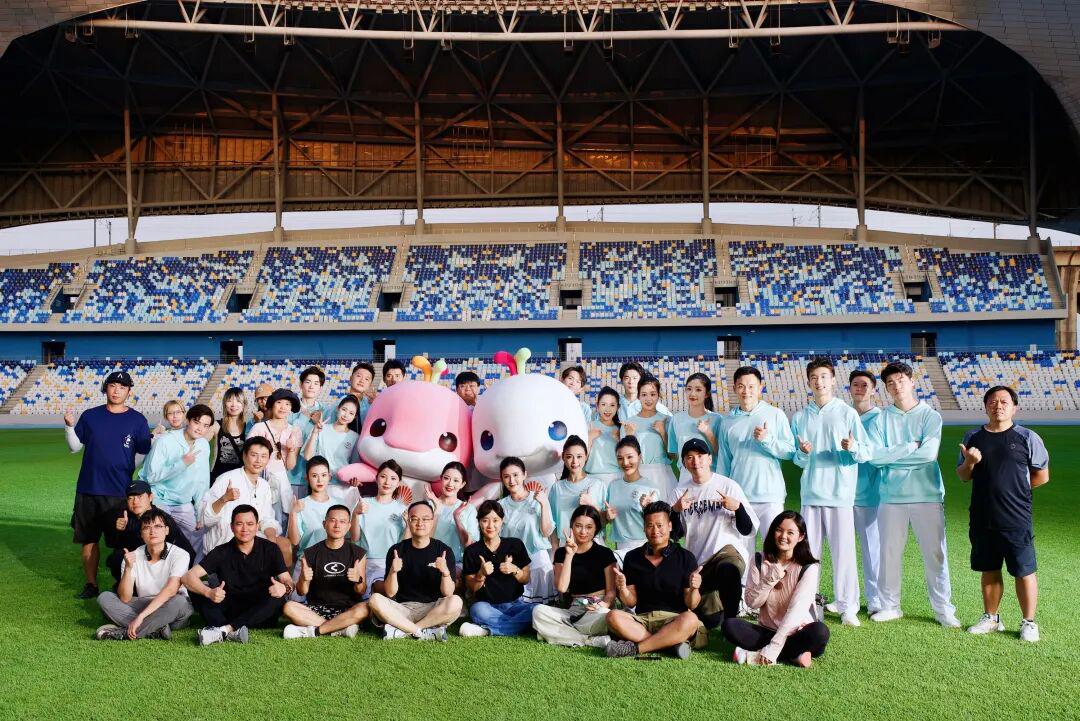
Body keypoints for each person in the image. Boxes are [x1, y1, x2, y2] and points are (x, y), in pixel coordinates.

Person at [867, 362, 959, 627]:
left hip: (926, 495)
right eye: (890, 383)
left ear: (912, 382)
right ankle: (890, 606)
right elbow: (874, 457)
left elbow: (929, 454)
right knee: (889, 554)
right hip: (891, 497)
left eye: (901, 380)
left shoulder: (930, 416)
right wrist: (909, 446)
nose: (896, 386)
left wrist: (891, 457)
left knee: (935, 554)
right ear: (886, 388)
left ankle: (943, 609)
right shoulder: (881, 419)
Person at [959, 386, 1049, 643]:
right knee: (989, 569)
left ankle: (1029, 622)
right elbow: (963, 476)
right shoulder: (973, 437)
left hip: (1016, 518)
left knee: (1024, 570)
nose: (998, 406)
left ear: (1014, 407)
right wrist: (970, 462)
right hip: (982, 516)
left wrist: (1015, 491)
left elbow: (1042, 475)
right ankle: (991, 618)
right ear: (985, 406)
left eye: (1004, 402)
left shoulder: (1027, 437)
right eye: (992, 401)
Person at [790, 357, 870, 626]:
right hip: (811, 494)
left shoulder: (847, 413)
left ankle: (848, 607)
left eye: (824, 376)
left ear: (833, 380)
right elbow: (796, 459)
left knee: (843, 554)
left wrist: (852, 447)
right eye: (814, 378)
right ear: (808, 382)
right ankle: (807, 605)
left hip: (840, 494)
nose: (819, 382)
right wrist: (803, 453)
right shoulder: (800, 417)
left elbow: (865, 452)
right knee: (808, 555)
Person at [64, 369, 153, 599]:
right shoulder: (90, 416)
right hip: (89, 489)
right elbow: (74, 447)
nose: (116, 391)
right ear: (106, 388)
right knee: (88, 540)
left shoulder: (137, 420)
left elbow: (144, 452)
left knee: (121, 541)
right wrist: (69, 426)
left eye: (122, 387)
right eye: (113, 386)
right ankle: (91, 584)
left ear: (129, 391)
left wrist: (128, 466)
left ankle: (122, 583)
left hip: (119, 492)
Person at [721, 511, 830, 667]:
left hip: (797, 631)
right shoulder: (759, 559)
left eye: (790, 532)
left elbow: (796, 611)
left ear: (800, 537)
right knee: (729, 626)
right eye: (779, 530)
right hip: (767, 631)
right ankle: (795, 654)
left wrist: (773, 648)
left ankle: (754, 656)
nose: (783, 536)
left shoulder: (808, 567)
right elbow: (752, 603)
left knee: (820, 632)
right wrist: (770, 579)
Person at [671, 438, 757, 628]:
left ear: (710, 459)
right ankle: (717, 604)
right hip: (698, 561)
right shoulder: (679, 492)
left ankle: (732, 623)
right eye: (690, 457)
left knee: (728, 569)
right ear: (684, 463)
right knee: (708, 620)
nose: (696, 461)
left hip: (726, 552)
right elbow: (676, 536)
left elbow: (747, 529)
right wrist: (675, 511)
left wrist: (738, 508)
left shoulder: (728, 486)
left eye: (700, 456)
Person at [604, 501, 706, 659]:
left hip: (675, 620)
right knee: (613, 616)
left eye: (660, 525)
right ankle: (669, 645)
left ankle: (636, 649)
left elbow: (691, 605)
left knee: (691, 619)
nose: (655, 531)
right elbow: (631, 603)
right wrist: (622, 588)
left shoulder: (686, 557)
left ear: (670, 526)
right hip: (643, 621)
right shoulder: (632, 557)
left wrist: (694, 589)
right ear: (644, 528)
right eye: (650, 526)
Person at [716, 366, 793, 574]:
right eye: (741, 386)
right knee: (742, 553)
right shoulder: (727, 422)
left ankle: (774, 592)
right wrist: (723, 493)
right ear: (734, 388)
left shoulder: (775, 414)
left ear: (760, 387)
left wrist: (767, 440)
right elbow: (724, 461)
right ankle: (743, 592)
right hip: (740, 498)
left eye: (751, 386)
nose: (746, 391)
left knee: (775, 552)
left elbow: (790, 451)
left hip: (770, 497)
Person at [183, 505, 293, 645]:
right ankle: (233, 632)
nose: (245, 529)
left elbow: (288, 580)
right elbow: (187, 577)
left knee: (277, 598)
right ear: (232, 527)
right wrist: (208, 592)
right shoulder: (221, 551)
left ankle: (225, 630)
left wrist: (285, 588)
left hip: (260, 612)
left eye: (250, 524)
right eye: (239, 524)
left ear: (257, 526)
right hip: (230, 608)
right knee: (198, 593)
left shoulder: (271, 549)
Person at [368, 501, 464, 640]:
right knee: (374, 600)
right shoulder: (396, 550)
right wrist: (393, 571)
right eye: (414, 519)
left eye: (425, 519)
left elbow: (448, 593)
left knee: (456, 601)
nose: (420, 523)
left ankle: (404, 630)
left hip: (433, 609)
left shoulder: (444, 551)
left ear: (432, 521)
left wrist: (445, 572)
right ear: (408, 521)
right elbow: (390, 592)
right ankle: (423, 632)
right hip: (402, 609)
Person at [95, 507, 194, 641]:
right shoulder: (133, 555)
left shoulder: (180, 554)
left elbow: (171, 590)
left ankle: (124, 633)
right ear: (141, 534)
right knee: (104, 598)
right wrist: (128, 568)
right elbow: (125, 598)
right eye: (147, 527)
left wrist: (141, 616)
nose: (152, 531)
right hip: (145, 603)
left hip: (171, 605)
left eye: (158, 526)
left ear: (166, 530)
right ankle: (156, 629)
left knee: (179, 601)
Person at [532, 505, 617, 648]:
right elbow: (562, 587)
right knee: (538, 612)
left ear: (596, 528)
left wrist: (604, 604)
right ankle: (588, 640)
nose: (583, 532)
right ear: (571, 526)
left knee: (606, 615)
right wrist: (569, 555)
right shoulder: (561, 553)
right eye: (578, 526)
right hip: (574, 609)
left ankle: (559, 633)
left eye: (589, 527)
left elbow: (611, 592)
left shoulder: (605, 553)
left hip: (597, 608)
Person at [200, 437, 291, 566]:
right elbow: (205, 519)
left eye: (263, 456)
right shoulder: (226, 479)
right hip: (225, 542)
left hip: (251, 539)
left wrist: (271, 539)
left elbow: (266, 518)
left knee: (285, 545)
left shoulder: (264, 485)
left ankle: (282, 579)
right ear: (244, 456)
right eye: (254, 455)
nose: (258, 460)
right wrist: (224, 499)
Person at [282, 504, 370, 639]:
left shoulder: (358, 553)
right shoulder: (310, 553)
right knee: (289, 607)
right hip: (317, 610)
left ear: (349, 526)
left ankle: (317, 630)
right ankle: (338, 629)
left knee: (365, 608)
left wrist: (358, 580)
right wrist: (303, 579)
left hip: (347, 609)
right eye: (332, 520)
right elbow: (301, 592)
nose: (337, 525)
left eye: (342, 522)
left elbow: (361, 591)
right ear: (324, 524)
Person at [140, 404, 214, 555]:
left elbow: (202, 482)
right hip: (160, 499)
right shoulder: (165, 441)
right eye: (197, 422)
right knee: (160, 536)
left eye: (205, 425)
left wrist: (199, 512)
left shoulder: (203, 445)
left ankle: (191, 568)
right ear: (188, 420)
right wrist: (182, 463)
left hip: (183, 501)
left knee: (198, 532)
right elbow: (150, 476)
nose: (200, 428)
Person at [459, 500, 535, 637]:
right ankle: (519, 625)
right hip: (486, 606)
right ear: (479, 522)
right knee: (477, 611)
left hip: (515, 605)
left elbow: (525, 579)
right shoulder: (472, 551)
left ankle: (487, 630)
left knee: (536, 610)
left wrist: (515, 569)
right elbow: (472, 588)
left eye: (495, 520)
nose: (490, 526)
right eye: (485, 520)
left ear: (502, 521)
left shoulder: (515, 544)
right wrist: (481, 574)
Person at [104, 481, 195, 582]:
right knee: (117, 558)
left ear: (150, 497)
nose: (135, 502)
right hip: (142, 558)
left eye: (140, 497)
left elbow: (185, 551)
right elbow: (112, 544)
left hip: (163, 561)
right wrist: (118, 530)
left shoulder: (162, 519)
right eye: (131, 498)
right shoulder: (125, 517)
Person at [497, 457, 556, 603]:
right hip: (513, 562)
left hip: (537, 558)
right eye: (506, 476)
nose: (512, 480)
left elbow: (547, 532)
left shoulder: (538, 499)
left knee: (540, 607)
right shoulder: (500, 506)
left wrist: (544, 504)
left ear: (525, 474)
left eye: (515, 475)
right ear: (502, 479)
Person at [848, 369, 883, 615]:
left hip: (870, 494)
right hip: (842, 492)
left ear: (873, 390)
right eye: (855, 385)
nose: (859, 389)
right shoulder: (844, 415)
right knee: (844, 549)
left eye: (864, 385)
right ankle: (846, 598)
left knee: (872, 550)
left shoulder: (880, 419)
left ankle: (876, 599)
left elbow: (879, 454)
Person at [351, 460, 407, 596]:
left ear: (398, 483)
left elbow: (405, 544)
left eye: (393, 478)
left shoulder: (402, 509)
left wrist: (409, 525)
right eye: (383, 477)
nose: (387, 482)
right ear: (376, 479)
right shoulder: (363, 504)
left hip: (392, 564)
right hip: (365, 562)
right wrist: (355, 514)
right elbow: (354, 538)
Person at [247, 388, 302, 528]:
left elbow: (290, 466)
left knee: (282, 520)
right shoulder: (259, 428)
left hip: (282, 481)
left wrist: (291, 450)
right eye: (279, 402)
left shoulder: (294, 431)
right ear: (272, 404)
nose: (283, 407)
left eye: (287, 404)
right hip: (260, 479)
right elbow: (248, 457)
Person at [288, 456, 360, 554]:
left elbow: (353, 537)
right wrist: (293, 513)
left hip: (335, 559)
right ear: (307, 478)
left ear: (329, 477)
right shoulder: (300, 505)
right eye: (314, 476)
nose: (319, 480)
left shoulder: (340, 504)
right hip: (308, 560)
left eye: (323, 475)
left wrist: (355, 514)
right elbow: (294, 541)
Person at [621, 375, 677, 499]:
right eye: (644, 394)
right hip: (637, 474)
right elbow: (623, 458)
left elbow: (673, 456)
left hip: (662, 475)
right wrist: (629, 436)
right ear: (638, 396)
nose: (648, 399)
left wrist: (663, 433)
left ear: (658, 395)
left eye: (652, 394)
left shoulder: (667, 420)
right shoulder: (629, 423)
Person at [604, 436, 659, 561]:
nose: (625, 463)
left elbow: (657, 522)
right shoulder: (613, 486)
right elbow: (607, 517)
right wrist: (607, 517)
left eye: (630, 457)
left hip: (644, 545)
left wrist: (647, 508)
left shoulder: (650, 487)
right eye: (620, 458)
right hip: (620, 547)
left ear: (639, 457)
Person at [548, 436, 607, 541]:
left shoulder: (597, 485)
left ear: (586, 456)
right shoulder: (557, 488)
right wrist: (555, 547)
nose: (575, 461)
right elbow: (552, 524)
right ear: (563, 457)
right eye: (569, 457)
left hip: (592, 544)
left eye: (579, 456)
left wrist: (591, 505)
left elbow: (604, 522)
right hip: (566, 544)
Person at [666, 372, 720, 483]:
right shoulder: (676, 419)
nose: (692, 393)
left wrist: (708, 433)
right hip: (685, 477)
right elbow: (674, 453)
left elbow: (722, 453)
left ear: (707, 394)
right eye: (689, 389)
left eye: (698, 390)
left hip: (710, 477)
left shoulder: (717, 419)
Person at [427, 461, 479, 572]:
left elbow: (469, 546)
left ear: (462, 484)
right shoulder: (428, 505)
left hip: (456, 565)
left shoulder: (468, 509)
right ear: (441, 479)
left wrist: (457, 518)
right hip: (429, 563)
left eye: (456, 480)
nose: (450, 484)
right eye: (446, 478)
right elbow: (421, 539)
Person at [288, 366, 329, 498]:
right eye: (308, 382)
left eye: (316, 383)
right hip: (293, 476)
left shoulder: (326, 411)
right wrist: (304, 416)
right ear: (301, 385)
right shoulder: (290, 410)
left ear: (320, 388)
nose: (311, 386)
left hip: (318, 477)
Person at [303, 396, 360, 478]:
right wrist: (314, 433)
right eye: (344, 410)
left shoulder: (355, 437)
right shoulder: (321, 429)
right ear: (338, 408)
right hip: (322, 481)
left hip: (343, 483)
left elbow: (354, 465)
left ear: (355, 417)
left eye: (351, 413)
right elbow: (307, 456)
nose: (346, 415)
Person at [584, 386, 621, 482]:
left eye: (612, 405)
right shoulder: (589, 426)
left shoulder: (621, 429)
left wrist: (620, 440)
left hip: (617, 478)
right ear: (597, 406)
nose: (607, 409)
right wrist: (589, 439)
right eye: (603, 404)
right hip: (592, 478)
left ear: (618, 407)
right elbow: (580, 457)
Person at [211, 387, 247, 482]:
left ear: (244, 405)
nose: (234, 404)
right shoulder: (216, 425)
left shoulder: (248, 427)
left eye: (238, 401)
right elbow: (199, 440)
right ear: (224, 404)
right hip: (219, 477)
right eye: (229, 401)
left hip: (241, 478)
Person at [341, 362, 376, 434]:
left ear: (370, 384)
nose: (362, 380)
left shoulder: (372, 405)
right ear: (351, 378)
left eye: (367, 379)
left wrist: (377, 405)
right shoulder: (339, 403)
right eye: (359, 376)